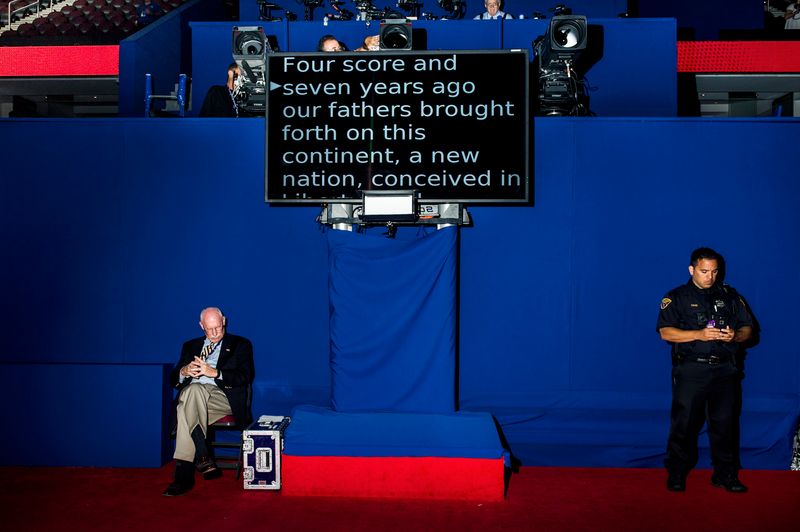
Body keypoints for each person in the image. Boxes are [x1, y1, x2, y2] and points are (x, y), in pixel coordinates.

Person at [657, 247, 753, 493]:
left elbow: (748, 329)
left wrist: (735, 336)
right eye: (703, 271)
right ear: (692, 270)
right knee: (684, 424)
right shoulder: (676, 297)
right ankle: (676, 474)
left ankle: (725, 475)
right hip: (692, 371)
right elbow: (665, 331)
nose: (709, 276)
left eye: (714, 271)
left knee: (725, 425)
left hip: (725, 371)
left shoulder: (730, 296)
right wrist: (699, 334)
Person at [163, 307, 255, 496]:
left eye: (218, 328)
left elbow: (245, 377)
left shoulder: (240, 344)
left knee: (185, 405)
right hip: (195, 397)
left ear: (224, 321)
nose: (214, 333)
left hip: (222, 399)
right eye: (209, 329)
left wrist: (215, 373)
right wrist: (184, 372)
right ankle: (201, 456)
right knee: (192, 392)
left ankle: (185, 474)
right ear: (201, 326)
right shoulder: (190, 346)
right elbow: (173, 380)